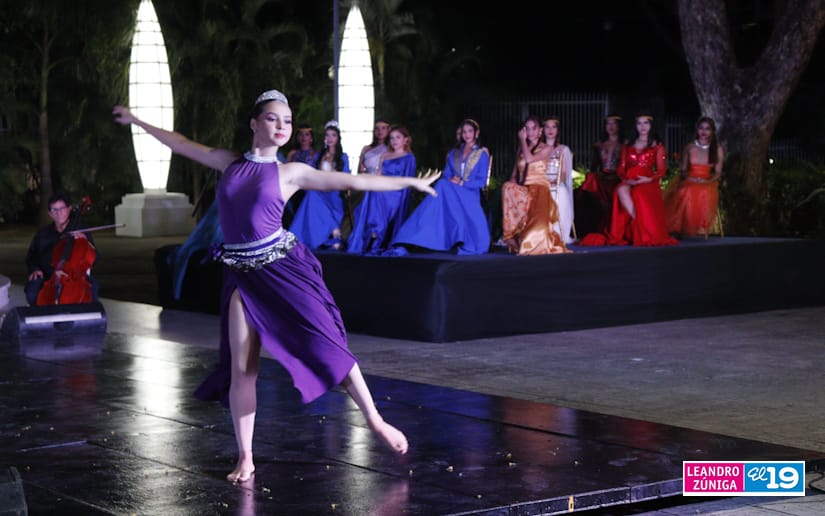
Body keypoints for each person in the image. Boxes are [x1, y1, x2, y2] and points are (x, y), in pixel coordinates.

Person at [112, 89, 439, 483]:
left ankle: (375, 420)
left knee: (327, 344)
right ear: (254, 123)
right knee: (241, 368)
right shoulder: (229, 163)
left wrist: (409, 182)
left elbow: (353, 179)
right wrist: (137, 121)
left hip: (283, 270)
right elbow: (180, 143)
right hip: (241, 275)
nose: (282, 126)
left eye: (287, 120)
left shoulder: (291, 172)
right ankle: (246, 456)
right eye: (273, 118)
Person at [388, 119, 491, 255]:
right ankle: (413, 237)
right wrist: (451, 179)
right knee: (442, 184)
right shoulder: (454, 153)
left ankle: (411, 235)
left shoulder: (482, 154)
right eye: (464, 132)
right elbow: (446, 174)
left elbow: (482, 182)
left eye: (470, 131)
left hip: (469, 194)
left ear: (476, 133)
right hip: (451, 191)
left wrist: (462, 183)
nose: (467, 135)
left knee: (440, 188)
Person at [579, 113, 677, 247]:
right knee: (620, 189)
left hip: (647, 180)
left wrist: (647, 179)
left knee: (638, 193)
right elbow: (621, 168)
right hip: (630, 178)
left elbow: (661, 171)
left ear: (651, 125)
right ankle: (640, 224)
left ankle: (643, 228)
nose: (642, 126)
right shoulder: (629, 145)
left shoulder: (657, 146)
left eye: (646, 123)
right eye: (639, 123)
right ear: (635, 126)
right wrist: (626, 179)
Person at [500, 115, 568, 255]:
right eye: (527, 129)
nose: (530, 132)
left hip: (539, 188)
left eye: (533, 128)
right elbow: (514, 175)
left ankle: (529, 238)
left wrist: (522, 140)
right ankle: (511, 233)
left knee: (537, 231)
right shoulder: (521, 149)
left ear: (540, 131)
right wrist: (513, 195)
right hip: (525, 190)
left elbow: (529, 159)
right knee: (507, 187)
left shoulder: (547, 148)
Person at [346, 125, 417, 255]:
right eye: (392, 138)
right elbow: (379, 175)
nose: (394, 140)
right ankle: (373, 234)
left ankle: (376, 235)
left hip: (397, 192)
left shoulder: (409, 157)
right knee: (372, 192)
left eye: (398, 137)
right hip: (383, 188)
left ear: (406, 140)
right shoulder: (385, 155)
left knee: (376, 194)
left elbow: (408, 180)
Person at [25, 192, 98, 306]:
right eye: (54, 210)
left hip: (73, 277)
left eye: (62, 208)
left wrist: (86, 242)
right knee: (32, 291)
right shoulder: (42, 234)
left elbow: (96, 258)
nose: (59, 213)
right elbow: (32, 256)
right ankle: (41, 316)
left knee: (92, 288)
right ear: (50, 214)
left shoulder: (80, 231)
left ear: (69, 209)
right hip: (48, 277)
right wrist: (35, 269)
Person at [288, 121, 351, 250]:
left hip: (334, 192)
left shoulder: (343, 157)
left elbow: (345, 178)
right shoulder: (319, 155)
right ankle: (328, 231)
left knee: (314, 196)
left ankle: (333, 232)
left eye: (333, 135)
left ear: (338, 138)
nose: (330, 138)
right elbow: (314, 174)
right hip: (320, 190)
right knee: (312, 195)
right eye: (327, 135)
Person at [663, 116, 724, 238]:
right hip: (690, 179)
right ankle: (678, 227)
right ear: (697, 130)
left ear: (712, 131)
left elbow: (718, 172)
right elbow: (683, 170)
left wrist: (707, 181)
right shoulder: (690, 147)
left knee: (704, 191)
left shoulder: (717, 149)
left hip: (707, 180)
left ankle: (699, 227)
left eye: (707, 128)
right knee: (685, 190)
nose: (704, 131)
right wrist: (690, 178)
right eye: (701, 128)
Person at [574, 115, 624, 235]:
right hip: (602, 178)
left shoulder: (625, 144)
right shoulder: (599, 145)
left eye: (614, 123)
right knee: (589, 187)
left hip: (618, 178)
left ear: (619, 126)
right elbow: (594, 166)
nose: (611, 127)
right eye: (608, 123)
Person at [541, 116, 575, 244]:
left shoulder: (563, 149)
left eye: (553, 127)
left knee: (560, 191)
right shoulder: (538, 149)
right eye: (547, 127)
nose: (550, 130)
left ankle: (558, 232)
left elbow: (565, 173)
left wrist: (556, 181)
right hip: (541, 182)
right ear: (543, 130)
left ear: (558, 130)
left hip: (557, 182)